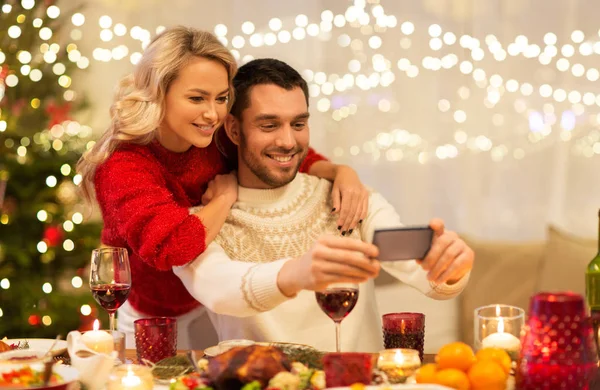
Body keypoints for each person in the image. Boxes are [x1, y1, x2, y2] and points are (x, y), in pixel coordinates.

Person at [76, 27, 370, 349]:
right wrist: (226, 198)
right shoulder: (123, 165)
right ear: (159, 93)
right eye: (196, 98)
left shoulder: (213, 134)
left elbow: (283, 154)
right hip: (154, 314)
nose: (213, 113)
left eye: (221, 98)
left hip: (210, 302)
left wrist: (342, 172)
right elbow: (172, 247)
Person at [174, 58, 474, 352]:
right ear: (234, 130)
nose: (288, 141)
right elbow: (222, 291)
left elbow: (419, 269)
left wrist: (449, 265)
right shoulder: (201, 224)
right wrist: (296, 273)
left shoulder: (348, 197)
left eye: (299, 123)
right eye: (269, 125)